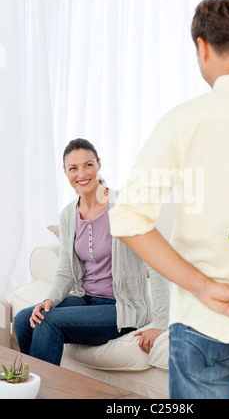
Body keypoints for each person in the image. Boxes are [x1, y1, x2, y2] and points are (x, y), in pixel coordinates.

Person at [108, 0, 229, 399]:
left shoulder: (184, 122)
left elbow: (127, 218)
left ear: (202, 46)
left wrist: (203, 287)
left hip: (201, 321)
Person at [14, 138, 168, 366]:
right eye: (73, 168)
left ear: (99, 164)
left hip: (121, 308)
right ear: (65, 171)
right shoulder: (68, 215)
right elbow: (66, 270)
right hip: (86, 300)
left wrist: (161, 323)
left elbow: (158, 264)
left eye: (88, 165)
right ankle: (34, 384)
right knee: (24, 320)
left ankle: (40, 390)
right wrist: (50, 299)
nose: (82, 174)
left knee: (49, 322)